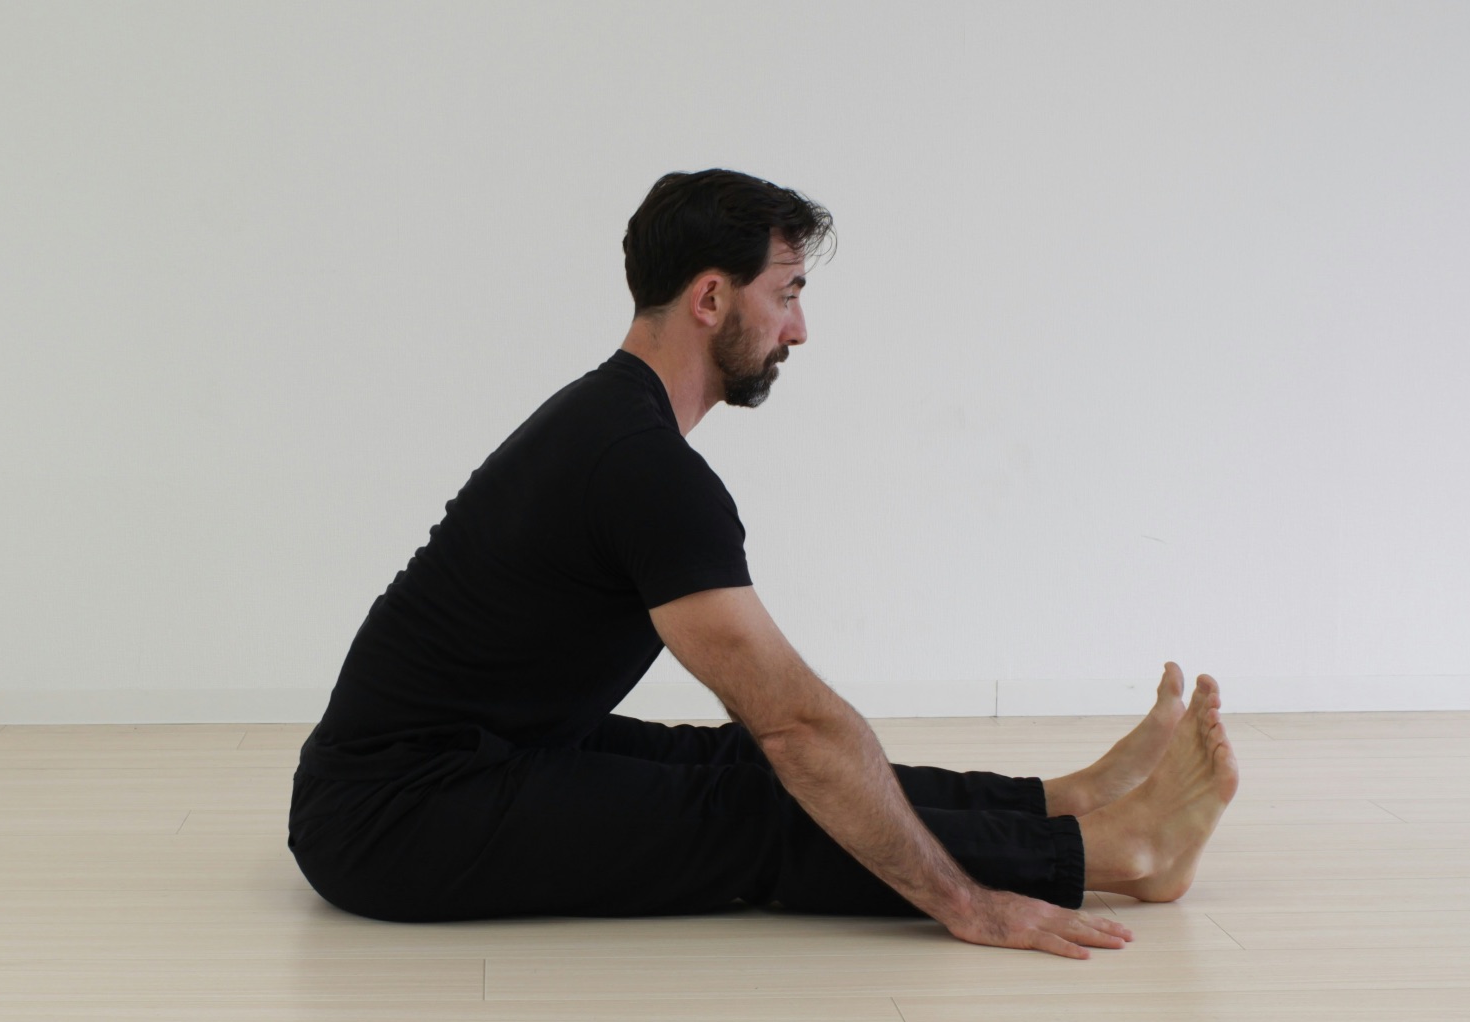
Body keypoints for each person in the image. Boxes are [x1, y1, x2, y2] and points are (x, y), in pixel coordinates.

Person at [287, 168, 1239, 958]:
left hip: (472, 757)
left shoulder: (611, 421)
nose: (797, 329)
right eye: (785, 294)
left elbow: (780, 736)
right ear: (711, 298)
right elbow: (799, 728)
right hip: (394, 818)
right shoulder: (643, 468)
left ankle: (1059, 805)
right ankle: (1120, 852)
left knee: (731, 760)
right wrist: (967, 903)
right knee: (758, 803)